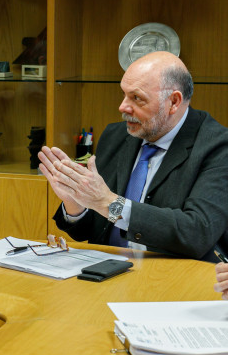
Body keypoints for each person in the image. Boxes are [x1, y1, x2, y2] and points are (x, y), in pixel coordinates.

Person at [38, 51, 228, 262]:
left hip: (171, 279)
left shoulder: (218, 147)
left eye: (137, 98)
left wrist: (108, 203)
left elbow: (196, 233)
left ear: (174, 102)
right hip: (105, 272)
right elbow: (90, 231)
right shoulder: (117, 135)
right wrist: (77, 202)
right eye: (124, 94)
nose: (122, 107)